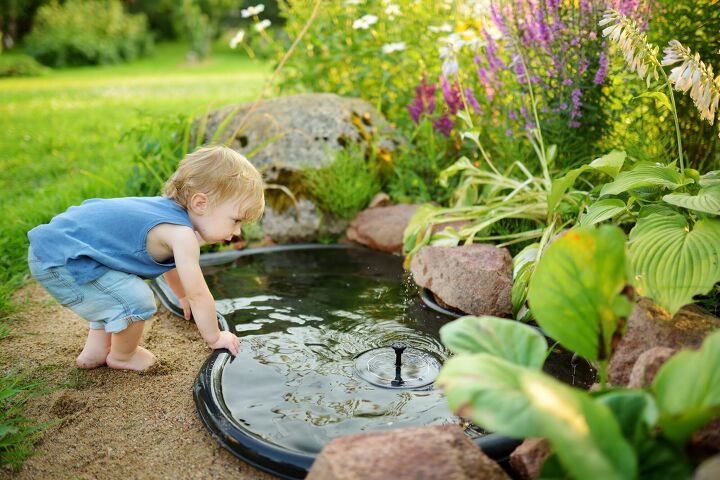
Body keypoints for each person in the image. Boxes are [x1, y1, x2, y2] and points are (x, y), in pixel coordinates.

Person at [27, 145, 264, 371]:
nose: (237, 233)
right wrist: (215, 336)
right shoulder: (183, 235)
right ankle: (123, 356)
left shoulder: (169, 216)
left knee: (113, 291)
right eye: (236, 220)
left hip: (63, 250)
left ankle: (95, 352)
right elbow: (199, 294)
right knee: (136, 300)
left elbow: (172, 267)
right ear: (200, 203)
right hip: (62, 259)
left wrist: (180, 294)